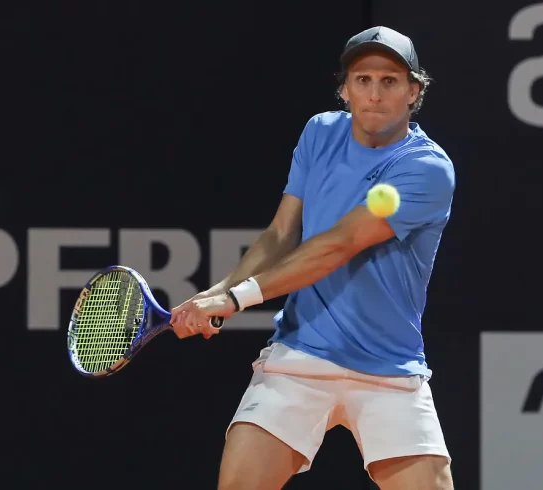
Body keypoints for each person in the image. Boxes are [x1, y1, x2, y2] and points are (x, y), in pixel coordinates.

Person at [171, 25, 456, 490]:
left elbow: (338, 244)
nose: (375, 94)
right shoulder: (320, 133)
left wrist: (237, 299)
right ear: (344, 89)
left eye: (390, 81)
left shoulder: (427, 169)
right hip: (300, 357)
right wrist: (217, 292)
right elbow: (282, 231)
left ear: (413, 91)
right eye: (362, 80)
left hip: (388, 369)